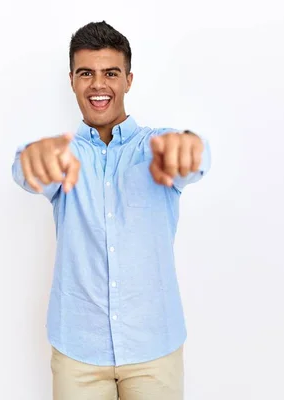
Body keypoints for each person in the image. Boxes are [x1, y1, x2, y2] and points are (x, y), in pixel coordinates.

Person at [12, 21, 211, 400]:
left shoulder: (156, 146)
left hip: (154, 349)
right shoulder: (64, 155)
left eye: (111, 73)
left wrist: (191, 147)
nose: (98, 84)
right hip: (78, 353)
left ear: (128, 80)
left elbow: (197, 156)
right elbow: (25, 170)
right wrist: (29, 158)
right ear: (72, 80)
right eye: (86, 73)